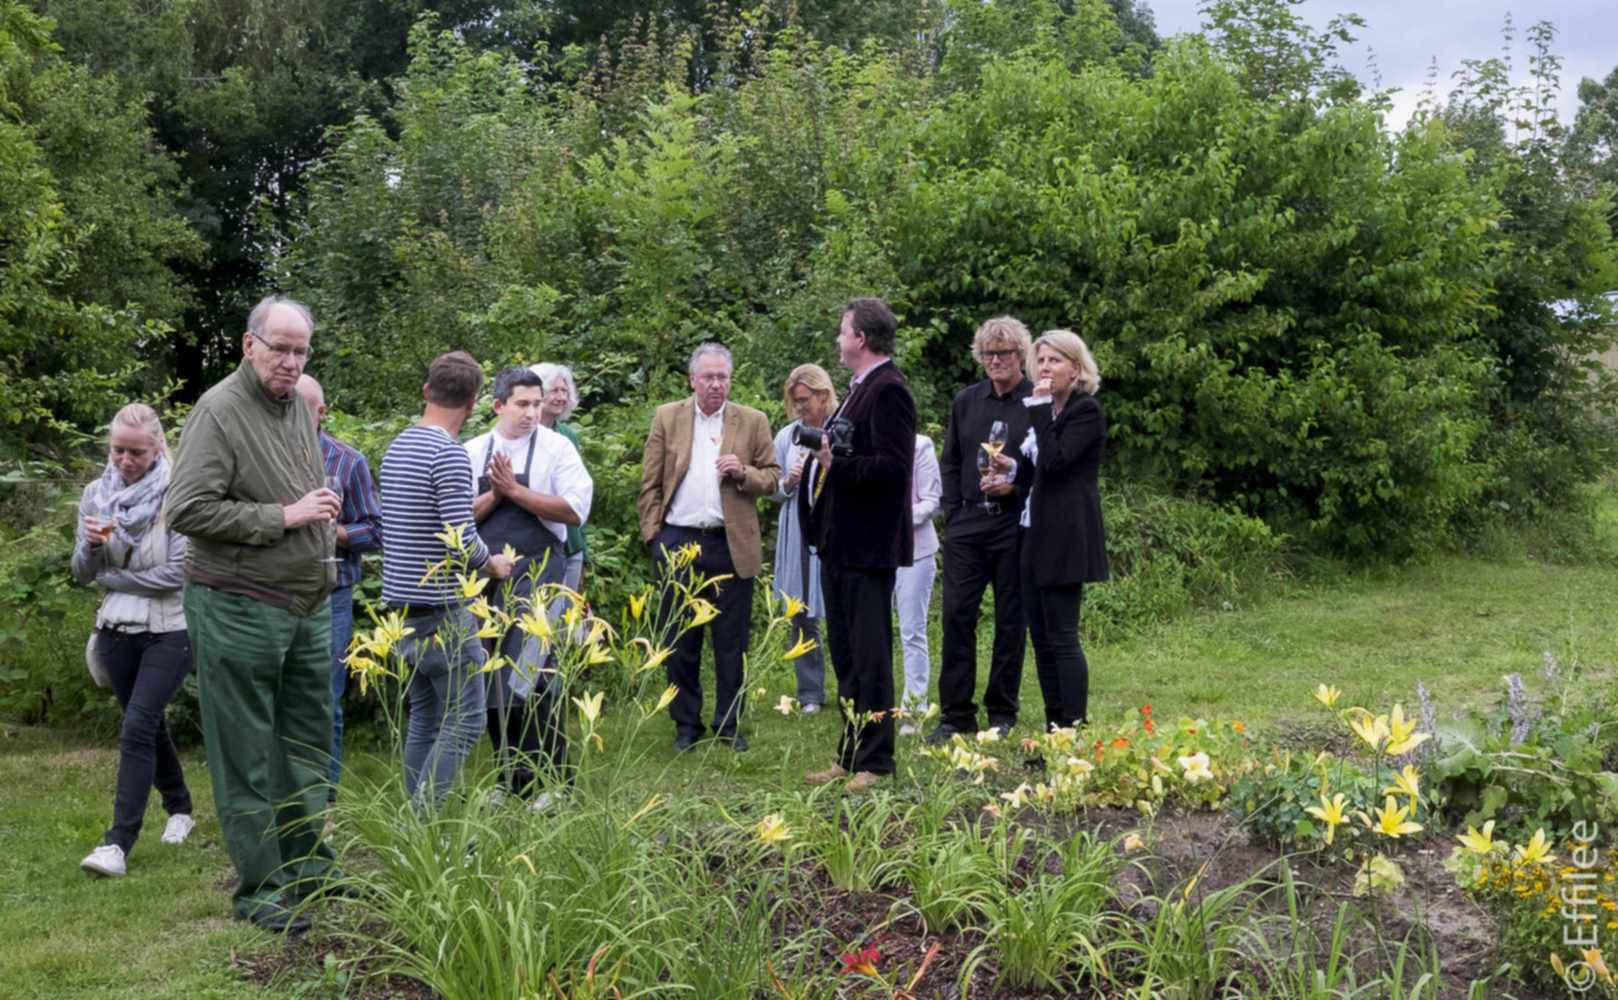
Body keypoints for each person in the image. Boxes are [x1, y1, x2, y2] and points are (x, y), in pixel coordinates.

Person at [165, 296, 341, 934]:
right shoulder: (219, 411)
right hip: (238, 605)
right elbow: (184, 509)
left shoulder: (297, 406)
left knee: (304, 744)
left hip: (306, 604)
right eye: (281, 349)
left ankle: (308, 867)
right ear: (249, 345)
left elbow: (295, 485)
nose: (291, 363)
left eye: (301, 352)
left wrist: (319, 517)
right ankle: (262, 888)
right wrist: (285, 518)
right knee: (246, 753)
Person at [380, 351, 516, 809]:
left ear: (426, 391)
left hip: (400, 608)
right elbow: (461, 539)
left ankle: (416, 824)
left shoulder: (398, 447)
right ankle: (424, 820)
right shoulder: (449, 455)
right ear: (475, 401)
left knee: (425, 716)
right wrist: (492, 564)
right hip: (441, 609)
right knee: (467, 720)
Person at [72, 404, 197, 879]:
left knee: (137, 727)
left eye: (136, 451)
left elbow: (176, 574)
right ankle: (180, 807)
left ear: (158, 447)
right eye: (118, 450)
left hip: (171, 629)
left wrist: (114, 576)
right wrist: (91, 547)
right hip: (116, 631)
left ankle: (116, 844)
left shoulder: (178, 496)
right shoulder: (95, 496)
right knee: (145, 724)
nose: (125, 460)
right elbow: (82, 573)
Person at [637, 343, 780, 753]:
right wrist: (655, 536)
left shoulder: (752, 421)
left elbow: (772, 478)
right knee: (681, 641)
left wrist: (744, 472)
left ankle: (728, 723)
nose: (716, 384)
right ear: (693, 379)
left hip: (729, 543)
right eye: (709, 377)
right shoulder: (668, 416)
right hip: (678, 540)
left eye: (723, 377)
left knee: (731, 641)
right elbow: (649, 482)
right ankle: (686, 725)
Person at [801, 297, 916, 794]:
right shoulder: (857, 390)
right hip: (839, 544)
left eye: (842, 330)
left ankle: (878, 760)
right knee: (847, 656)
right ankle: (849, 754)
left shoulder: (889, 391)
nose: (838, 338)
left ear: (861, 338)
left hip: (868, 548)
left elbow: (893, 470)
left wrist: (835, 465)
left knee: (871, 656)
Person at [467, 367, 592, 807]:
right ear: (498, 405)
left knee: (536, 676)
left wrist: (516, 493)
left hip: (541, 574)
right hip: (485, 578)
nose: (531, 412)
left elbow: (575, 510)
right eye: (522, 404)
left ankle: (556, 779)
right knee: (493, 677)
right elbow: (459, 520)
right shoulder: (473, 450)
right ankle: (511, 777)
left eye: (537, 404)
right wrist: (497, 495)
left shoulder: (557, 449)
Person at [988, 330, 1108, 731]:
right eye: (1040, 361)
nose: (1044, 369)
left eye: (1054, 361)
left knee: (1061, 637)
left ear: (1075, 369)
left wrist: (1038, 407)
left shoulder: (1085, 411)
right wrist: (1010, 470)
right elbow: (1037, 474)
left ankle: (1074, 728)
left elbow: (1057, 463)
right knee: (1039, 638)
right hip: (1032, 532)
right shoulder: (1048, 412)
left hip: (1066, 535)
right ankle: (1054, 729)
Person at [930, 316, 1036, 743]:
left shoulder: (1037, 402)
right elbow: (951, 460)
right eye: (989, 353)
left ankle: (1002, 712)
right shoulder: (966, 401)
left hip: (1014, 523)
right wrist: (954, 512)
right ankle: (956, 715)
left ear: (1021, 356)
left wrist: (1017, 486)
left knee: (1011, 620)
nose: (996, 360)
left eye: (1005, 353)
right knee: (957, 616)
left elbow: (1047, 464)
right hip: (968, 522)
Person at [293, 375, 383, 803]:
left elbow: (375, 530)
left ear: (320, 412)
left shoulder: (347, 462)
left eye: (300, 406)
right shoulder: (266, 456)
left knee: (325, 694)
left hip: (332, 594)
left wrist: (335, 532)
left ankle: (323, 796)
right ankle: (286, 791)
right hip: (276, 589)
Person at [769, 364, 837, 715]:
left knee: (841, 608)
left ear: (823, 395)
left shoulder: (840, 428)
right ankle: (810, 692)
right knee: (800, 612)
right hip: (797, 529)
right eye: (794, 402)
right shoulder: (786, 436)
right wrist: (788, 483)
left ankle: (851, 686)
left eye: (804, 401)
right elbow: (773, 491)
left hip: (836, 527)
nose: (799, 408)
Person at [895, 432, 942, 735]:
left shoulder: (919, 445)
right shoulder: (863, 443)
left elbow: (931, 503)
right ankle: (873, 708)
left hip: (915, 551)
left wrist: (893, 519)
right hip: (872, 553)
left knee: (912, 631)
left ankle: (914, 707)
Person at [529, 362, 590, 594]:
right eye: (554, 390)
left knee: (566, 619)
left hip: (571, 543)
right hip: (535, 541)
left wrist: (583, 550)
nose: (561, 396)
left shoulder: (568, 436)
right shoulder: (520, 433)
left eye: (565, 391)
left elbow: (580, 493)